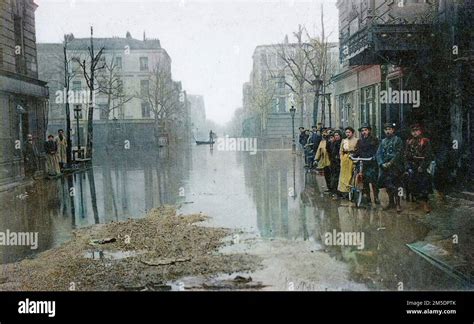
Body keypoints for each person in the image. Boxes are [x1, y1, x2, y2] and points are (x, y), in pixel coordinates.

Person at [404, 124, 434, 213]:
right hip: (412, 165)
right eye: (413, 131)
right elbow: (406, 156)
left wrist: (422, 166)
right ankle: (415, 200)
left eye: (417, 130)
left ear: (420, 131)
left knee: (424, 183)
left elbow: (428, 156)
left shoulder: (425, 141)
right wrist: (407, 166)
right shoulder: (409, 142)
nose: (415, 133)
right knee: (410, 179)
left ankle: (425, 204)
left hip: (423, 165)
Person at [376, 123, 404, 212]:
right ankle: (391, 202)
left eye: (390, 129)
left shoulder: (397, 140)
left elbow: (398, 153)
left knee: (398, 186)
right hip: (385, 167)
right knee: (388, 186)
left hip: (395, 166)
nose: (388, 131)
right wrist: (381, 163)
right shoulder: (383, 141)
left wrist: (391, 163)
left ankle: (398, 204)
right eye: (386, 129)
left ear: (393, 130)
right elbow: (378, 154)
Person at [354, 123, 379, 205]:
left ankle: (376, 196)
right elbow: (357, 151)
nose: (364, 132)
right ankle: (367, 196)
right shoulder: (360, 141)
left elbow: (377, 151)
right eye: (362, 131)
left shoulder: (374, 140)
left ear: (369, 131)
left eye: (365, 130)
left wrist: (374, 157)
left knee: (373, 180)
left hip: (371, 163)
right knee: (363, 180)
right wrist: (353, 156)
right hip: (363, 163)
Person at [338, 127, 358, 197]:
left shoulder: (356, 140)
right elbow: (341, 151)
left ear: (352, 133)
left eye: (349, 132)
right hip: (345, 159)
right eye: (346, 132)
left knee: (352, 175)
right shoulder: (344, 140)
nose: (347, 134)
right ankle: (345, 191)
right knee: (344, 175)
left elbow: (358, 149)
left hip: (353, 158)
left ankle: (352, 191)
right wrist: (341, 159)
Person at [329, 130, 342, 198]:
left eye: (337, 135)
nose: (336, 137)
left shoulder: (342, 143)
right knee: (335, 177)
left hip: (340, 162)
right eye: (335, 135)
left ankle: (340, 192)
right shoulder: (333, 143)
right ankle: (335, 192)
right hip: (334, 163)